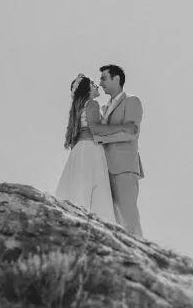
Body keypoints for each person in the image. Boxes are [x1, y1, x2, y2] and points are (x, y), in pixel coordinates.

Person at [86, 63, 143, 237]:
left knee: (128, 216)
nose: (100, 83)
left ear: (116, 78)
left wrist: (103, 138)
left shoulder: (132, 101)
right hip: (104, 168)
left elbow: (131, 132)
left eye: (104, 78)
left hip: (124, 167)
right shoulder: (104, 107)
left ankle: (140, 252)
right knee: (113, 218)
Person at [53, 74, 116, 222]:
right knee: (95, 187)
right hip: (91, 149)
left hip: (79, 150)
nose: (97, 86)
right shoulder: (92, 104)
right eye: (93, 84)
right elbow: (96, 130)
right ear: (87, 89)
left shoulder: (80, 108)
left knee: (79, 186)